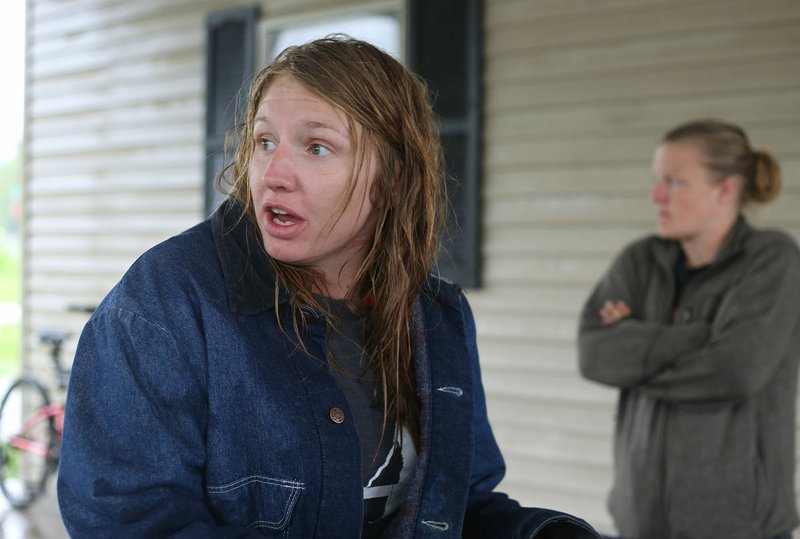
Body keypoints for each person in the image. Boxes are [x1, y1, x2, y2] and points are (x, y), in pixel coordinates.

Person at [57, 35, 600, 538]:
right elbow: (128, 522)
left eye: (316, 147)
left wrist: (544, 533)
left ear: (391, 181)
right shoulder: (164, 303)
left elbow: (460, 505)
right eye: (264, 141)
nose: (273, 172)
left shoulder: (438, 316)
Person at [578, 119, 800, 539]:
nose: (656, 197)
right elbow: (594, 354)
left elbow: (735, 371)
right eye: (656, 181)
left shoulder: (773, 260)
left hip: (739, 528)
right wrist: (702, 337)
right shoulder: (639, 261)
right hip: (638, 522)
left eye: (674, 183)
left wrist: (635, 344)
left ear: (725, 190)